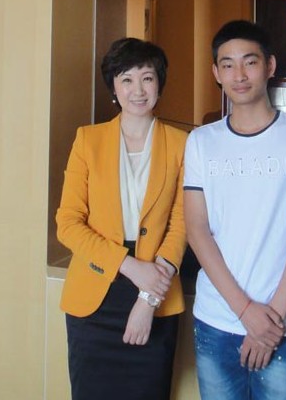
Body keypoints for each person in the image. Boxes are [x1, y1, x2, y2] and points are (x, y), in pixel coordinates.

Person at [183, 20, 286, 399]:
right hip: (217, 320)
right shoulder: (201, 141)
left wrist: (270, 321)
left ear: (269, 66)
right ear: (216, 73)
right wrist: (246, 312)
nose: (239, 75)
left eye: (249, 62)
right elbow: (198, 231)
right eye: (228, 64)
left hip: (284, 323)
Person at [56, 37, 188, 400]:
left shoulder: (182, 143)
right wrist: (129, 267)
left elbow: (182, 222)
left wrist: (148, 296)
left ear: (159, 83)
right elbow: (68, 222)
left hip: (157, 288)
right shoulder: (88, 140)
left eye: (147, 78)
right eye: (126, 79)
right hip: (94, 296)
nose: (138, 90)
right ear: (113, 87)